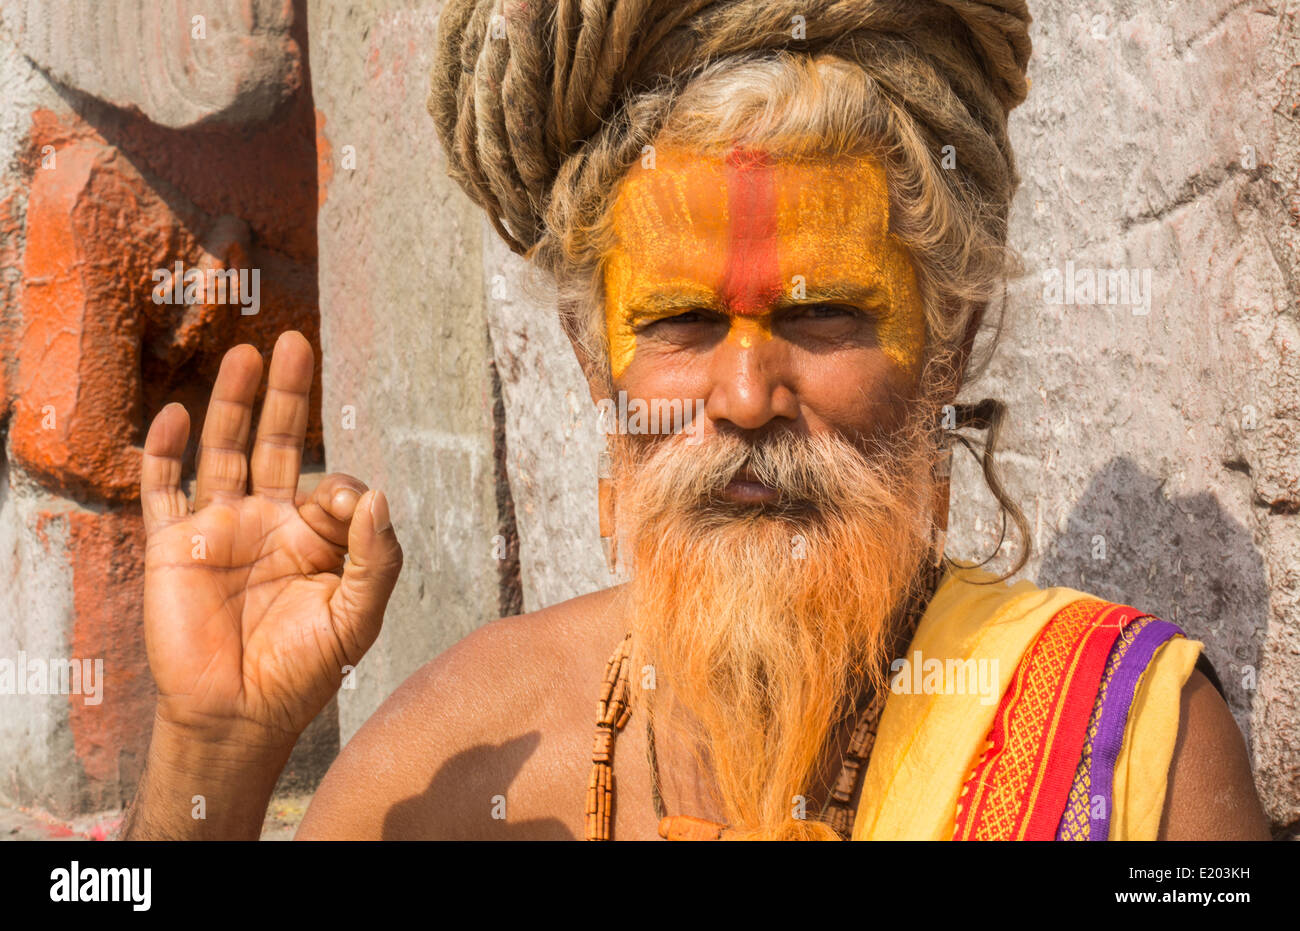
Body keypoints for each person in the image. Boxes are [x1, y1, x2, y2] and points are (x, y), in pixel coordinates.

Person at [119, 0, 1270, 841]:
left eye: (823, 314)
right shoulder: (460, 759)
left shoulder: (1130, 762)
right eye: (676, 320)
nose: (742, 397)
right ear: (589, 357)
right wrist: (206, 759)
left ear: (949, 343)